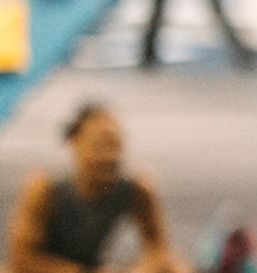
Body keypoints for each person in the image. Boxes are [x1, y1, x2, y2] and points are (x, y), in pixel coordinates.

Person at [6, 104, 190, 273]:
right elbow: (21, 258)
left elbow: (159, 248)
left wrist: (140, 269)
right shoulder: (44, 188)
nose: (108, 156)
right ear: (75, 144)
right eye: (98, 146)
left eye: (115, 146)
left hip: (92, 266)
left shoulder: (137, 188)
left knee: (177, 267)